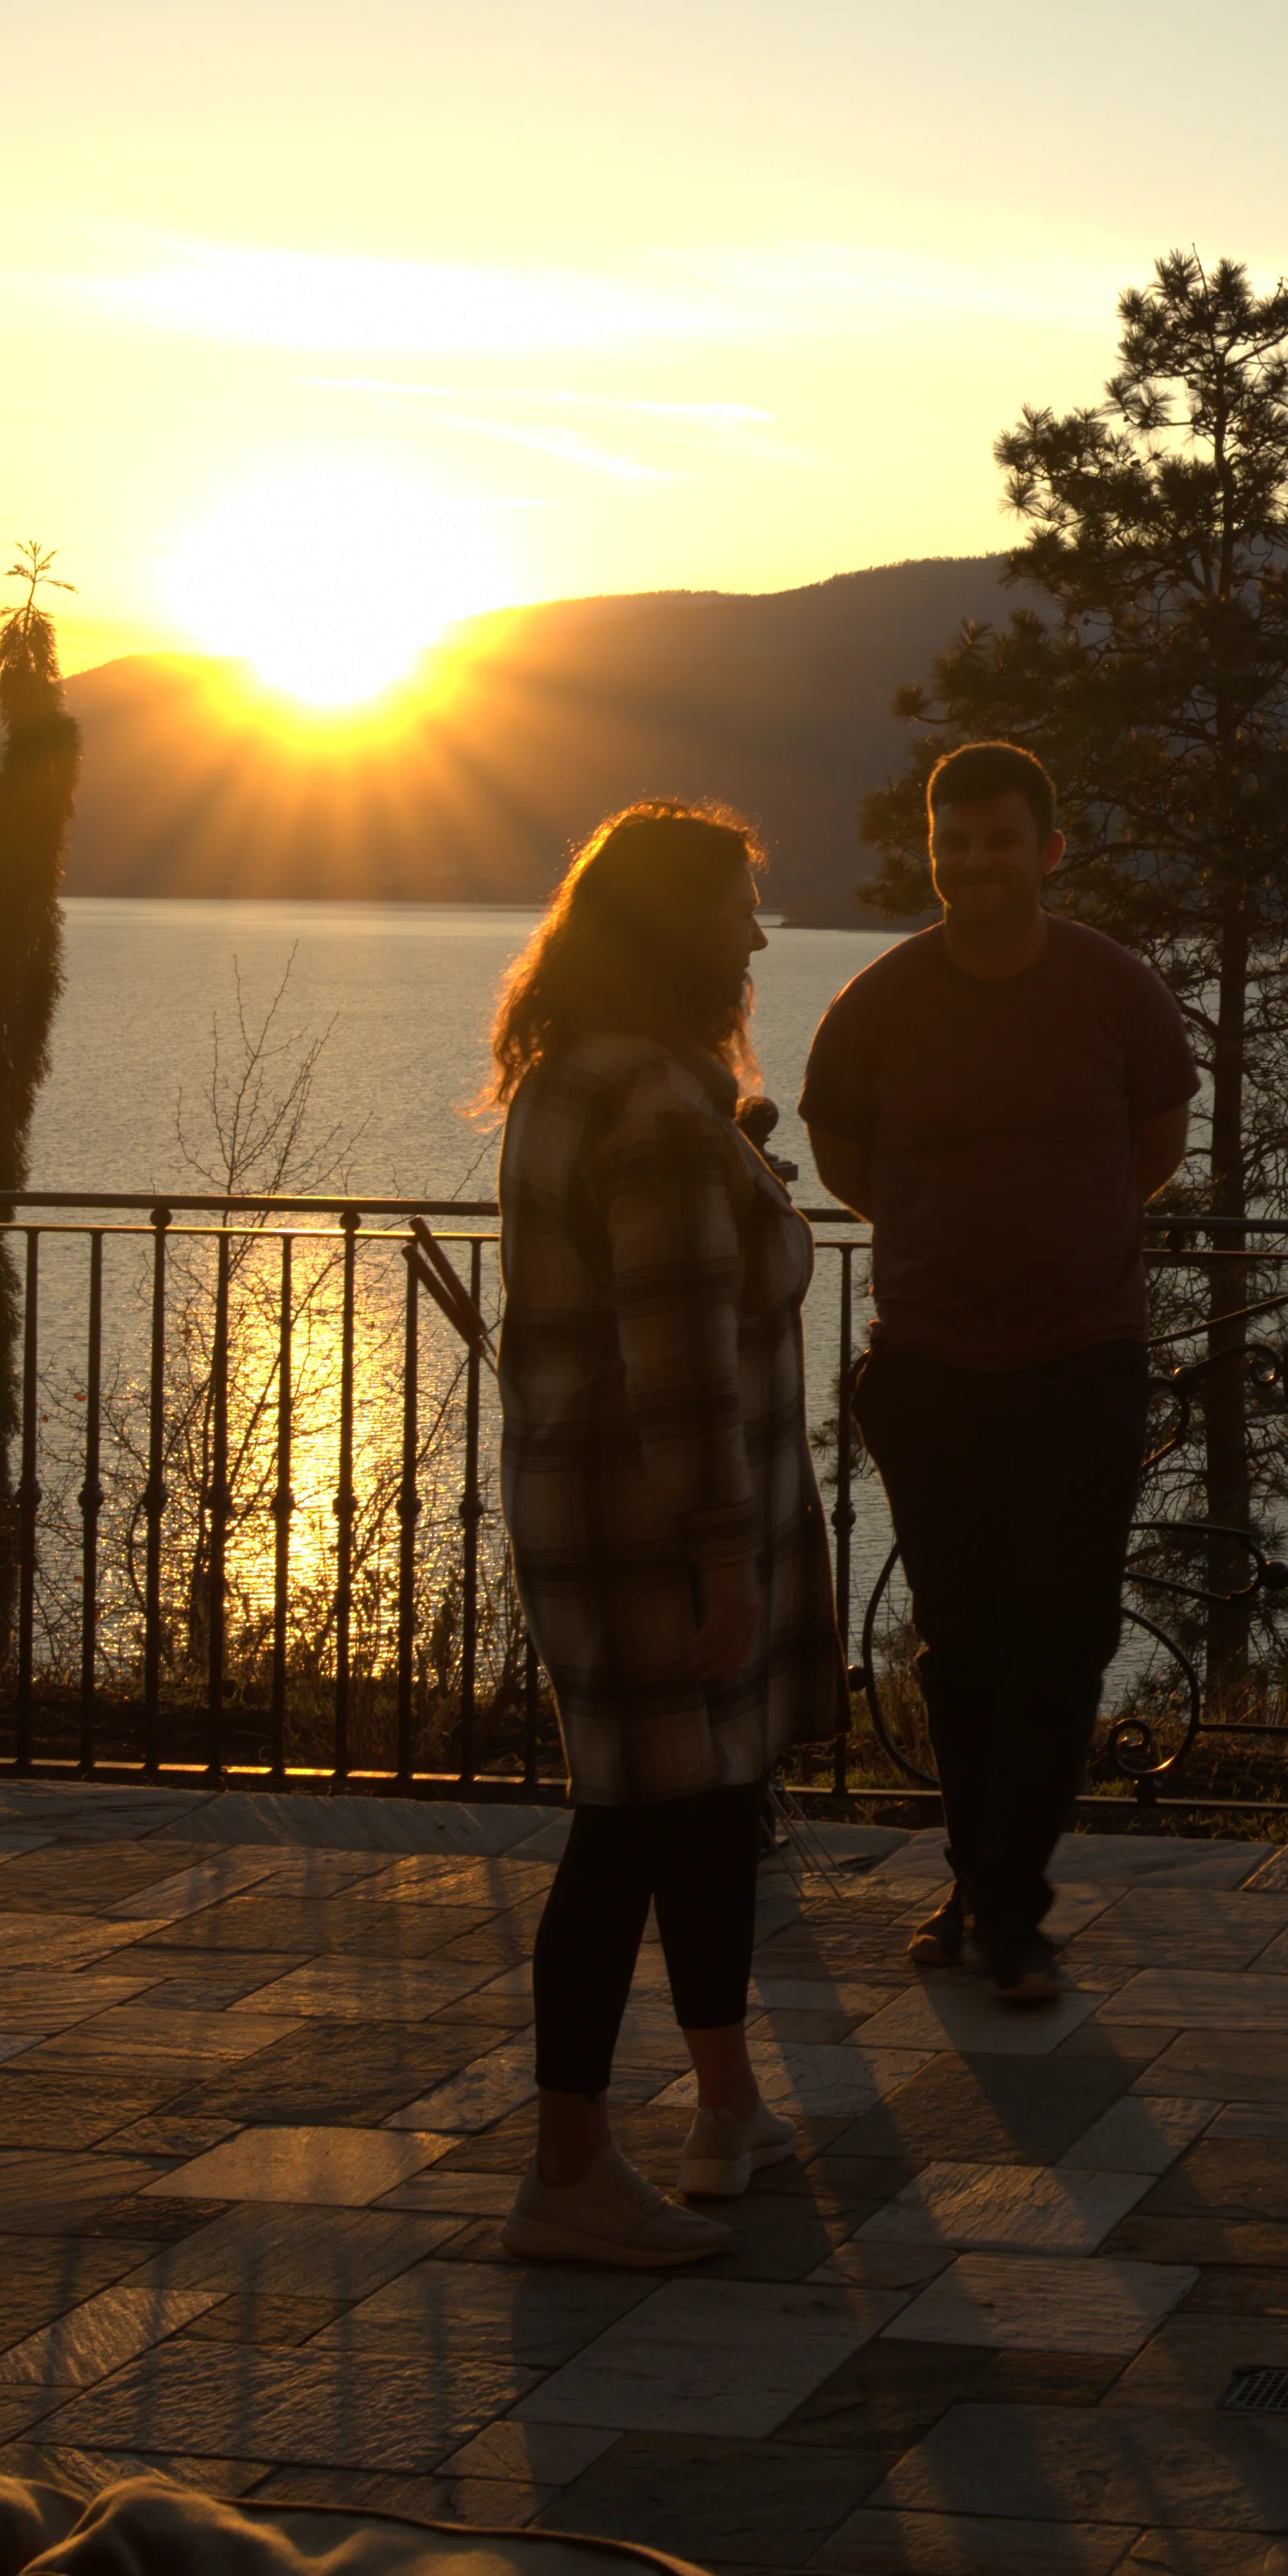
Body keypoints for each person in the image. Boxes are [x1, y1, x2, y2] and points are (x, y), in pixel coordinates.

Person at [485, 803, 831, 2270]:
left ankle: (725, 2110)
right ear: (683, 930)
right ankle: (567, 2172)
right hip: (654, 1528)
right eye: (739, 911)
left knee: (698, 1808)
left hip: (587, 1506)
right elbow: (679, 1354)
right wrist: (719, 1557)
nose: (758, 937)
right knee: (626, 1828)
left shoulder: (573, 1082)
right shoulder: (663, 1114)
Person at [796, 737, 1195, 2008]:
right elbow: (848, 1160)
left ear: (1049, 850)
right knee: (961, 1645)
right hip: (930, 1368)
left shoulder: (1115, 990)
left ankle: (1006, 1901)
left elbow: (1153, 1147)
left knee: (1062, 1638)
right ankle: (986, 1883)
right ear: (934, 854)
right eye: (955, 842)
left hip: (1083, 1364)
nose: (977, 863)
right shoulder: (877, 1003)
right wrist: (953, 1246)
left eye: (1001, 841)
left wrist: (1047, 1253)